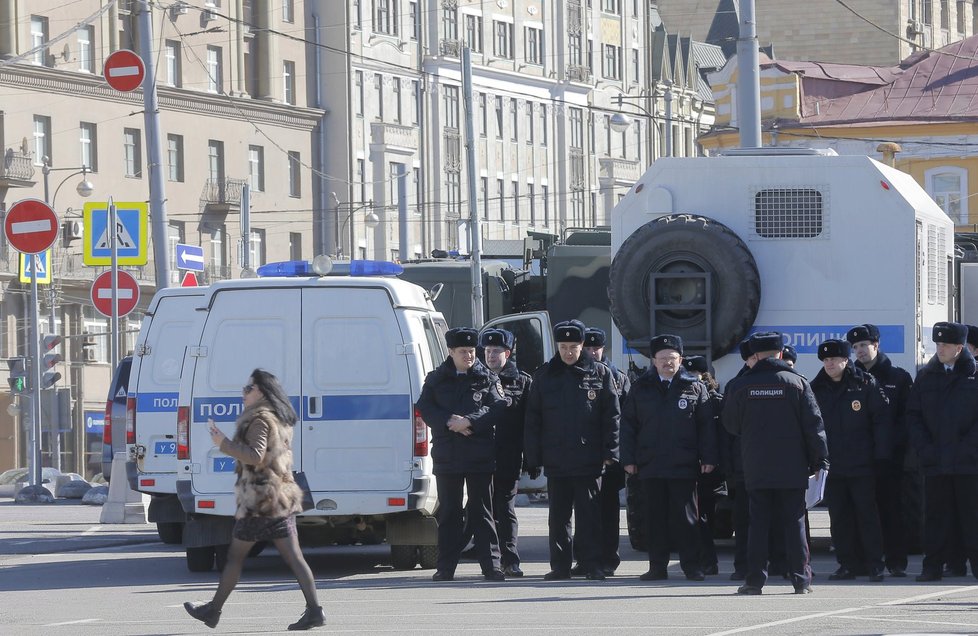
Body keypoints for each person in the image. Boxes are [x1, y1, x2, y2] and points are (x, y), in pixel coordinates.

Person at [184, 369, 324, 631]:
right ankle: (315, 611)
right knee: (294, 557)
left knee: (235, 557)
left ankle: (212, 611)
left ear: (262, 392)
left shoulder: (260, 419)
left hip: (259, 501)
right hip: (279, 499)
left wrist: (222, 442)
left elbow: (256, 455)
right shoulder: (277, 418)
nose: (244, 393)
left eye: (249, 389)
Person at [723, 332, 829, 595]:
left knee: (757, 524)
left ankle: (754, 581)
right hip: (792, 467)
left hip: (756, 466)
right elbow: (814, 426)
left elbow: (730, 425)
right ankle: (801, 580)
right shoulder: (797, 383)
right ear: (781, 354)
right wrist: (819, 460)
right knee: (794, 523)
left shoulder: (740, 386)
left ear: (756, 356)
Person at [524, 319, 620, 581]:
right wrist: (533, 458)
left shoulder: (600, 373)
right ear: (557, 346)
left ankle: (592, 564)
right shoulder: (543, 376)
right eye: (564, 346)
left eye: (573, 347)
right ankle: (560, 566)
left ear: (582, 346)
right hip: (557, 459)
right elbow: (533, 420)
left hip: (589, 459)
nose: (568, 352)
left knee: (590, 516)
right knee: (558, 518)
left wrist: (611, 452)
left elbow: (612, 416)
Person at [621, 335, 717, 581]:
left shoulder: (694, 387)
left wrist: (708, 457)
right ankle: (657, 567)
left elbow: (706, 426)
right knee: (655, 519)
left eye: (672, 358)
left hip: (683, 464)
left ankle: (691, 566)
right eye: (662, 358)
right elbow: (629, 426)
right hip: (650, 464)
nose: (667, 363)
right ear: (653, 360)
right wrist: (628, 459)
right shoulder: (641, 387)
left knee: (687, 519)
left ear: (680, 359)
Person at [417, 327, 509, 582]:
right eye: (463, 352)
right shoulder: (437, 378)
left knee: (482, 512)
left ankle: (491, 566)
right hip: (448, 455)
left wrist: (469, 421)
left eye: (471, 351)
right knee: (450, 513)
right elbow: (424, 406)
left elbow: (498, 406)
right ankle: (445, 567)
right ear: (451, 352)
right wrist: (449, 421)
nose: (469, 356)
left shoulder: (486, 377)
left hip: (479, 455)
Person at [811, 339, 890, 582]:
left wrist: (881, 455)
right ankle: (847, 564)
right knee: (840, 518)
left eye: (834, 359)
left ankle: (875, 564)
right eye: (825, 360)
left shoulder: (865, 384)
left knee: (867, 515)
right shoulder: (817, 387)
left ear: (846, 360)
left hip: (862, 463)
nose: (829, 364)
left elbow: (881, 421)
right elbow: (811, 425)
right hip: (833, 465)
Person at [906, 322, 978, 582]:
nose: (940, 349)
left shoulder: (974, 374)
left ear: (960, 347)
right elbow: (913, 415)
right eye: (937, 344)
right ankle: (933, 566)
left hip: (969, 463)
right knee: (936, 518)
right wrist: (925, 448)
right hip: (935, 461)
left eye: (945, 345)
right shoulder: (926, 376)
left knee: (972, 517)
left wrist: (968, 449)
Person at [847, 323, 914, 577]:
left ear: (876, 345)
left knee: (891, 510)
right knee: (862, 511)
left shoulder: (898, 377)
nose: (860, 351)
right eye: (855, 347)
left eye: (864, 345)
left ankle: (896, 561)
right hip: (859, 457)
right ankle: (866, 560)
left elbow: (906, 417)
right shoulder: (849, 377)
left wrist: (890, 446)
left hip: (889, 459)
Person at [567, 327, 630, 577]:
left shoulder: (617, 377)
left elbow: (623, 418)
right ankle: (584, 558)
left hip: (610, 455)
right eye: (589, 348)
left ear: (604, 349)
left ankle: (608, 558)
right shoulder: (576, 374)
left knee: (608, 510)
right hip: (584, 455)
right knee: (584, 510)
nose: (592, 353)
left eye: (597, 348)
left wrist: (617, 453)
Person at [480, 328, 532, 577]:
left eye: (496, 351)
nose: (490, 356)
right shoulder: (476, 378)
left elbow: (530, 423)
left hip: (508, 455)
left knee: (505, 508)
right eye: (487, 351)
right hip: (479, 456)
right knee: (483, 510)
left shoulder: (522, 382)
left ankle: (510, 560)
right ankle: (490, 560)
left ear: (507, 353)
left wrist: (532, 457)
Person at [682, 355, 723, 576]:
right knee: (692, 518)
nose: (692, 380)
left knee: (704, 517)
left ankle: (708, 559)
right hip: (688, 465)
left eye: (696, 375)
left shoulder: (715, 400)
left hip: (709, 470)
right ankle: (699, 558)